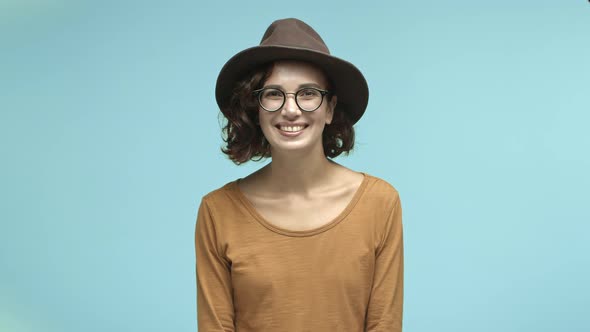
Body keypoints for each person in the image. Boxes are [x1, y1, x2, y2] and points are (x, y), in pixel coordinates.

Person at [195, 18, 404, 331]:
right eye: (273, 94)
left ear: (330, 108)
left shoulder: (380, 203)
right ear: (256, 108)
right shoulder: (217, 212)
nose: (290, 109)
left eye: (307, 93)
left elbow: (384, 324)